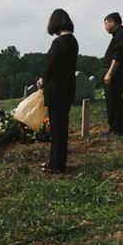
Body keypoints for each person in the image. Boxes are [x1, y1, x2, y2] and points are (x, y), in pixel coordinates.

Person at [37, 9, 79, 174]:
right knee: (62, 128)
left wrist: (43, 79)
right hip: (68, 88)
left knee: (56, 129)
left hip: (56, 90)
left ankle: (56, 165)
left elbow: (51, 65)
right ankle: (57, 162)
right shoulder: (73, 41)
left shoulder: (59, 43)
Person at [103, 12, 123, 136]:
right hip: (114, 73)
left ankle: (118, 130)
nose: (105, 27)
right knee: (112, 101)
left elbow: (118, 56)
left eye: (106, 24)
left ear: (112, 22)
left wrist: (110, 73)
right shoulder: (117, 35)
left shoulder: (122, 35)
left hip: (117, 74)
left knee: (115, 102)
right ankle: (113, 128)